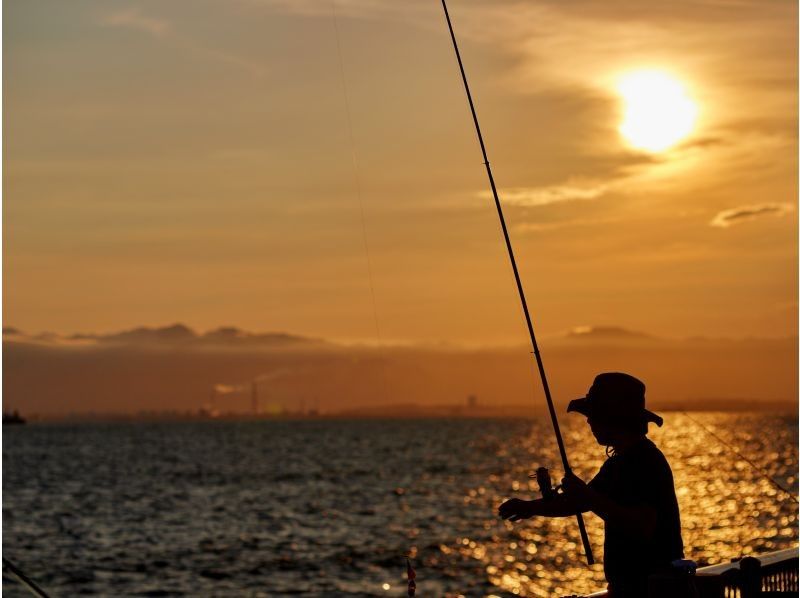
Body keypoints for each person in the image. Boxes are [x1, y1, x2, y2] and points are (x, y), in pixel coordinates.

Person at [498, 372, 684, 597]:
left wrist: (587, 496)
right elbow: (576, 502)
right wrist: (529, 508)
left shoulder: (644, 461)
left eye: (594, 414)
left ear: (614, 418)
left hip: (652, 591)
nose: (588, 420)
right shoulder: (619, 462)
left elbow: (642, 525)